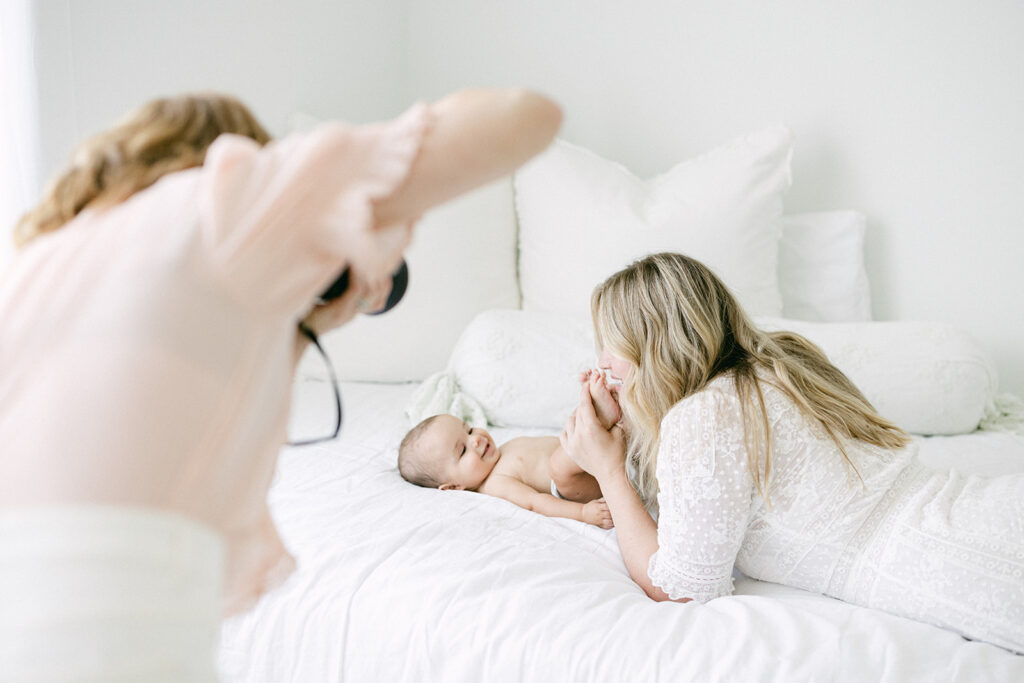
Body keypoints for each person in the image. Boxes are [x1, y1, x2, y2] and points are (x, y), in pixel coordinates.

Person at [0, 88, 562, 680]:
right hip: (110, 633)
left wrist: (312, 317)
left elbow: (212, 395)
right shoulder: (225, 204)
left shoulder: (40, 264)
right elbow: (530, 116)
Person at [559, 251, 1024, 653]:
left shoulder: (703, 415)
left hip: (941, 558)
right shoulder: (779, 361)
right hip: (972, 502)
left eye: (611, 345)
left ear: (653, 344)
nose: (601, 363)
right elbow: (571, 480)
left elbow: (682, 588)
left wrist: (610, 470)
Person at [399, 370, 620, 529]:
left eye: (469, 430)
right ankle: (596, 415)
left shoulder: (501, 452)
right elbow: (535, 503)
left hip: (583, 460)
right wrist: (583, 513)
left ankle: (595, 415)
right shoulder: (495, 484)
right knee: (559, 462)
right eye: (463, 451)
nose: (475, 440)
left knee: (569, 434)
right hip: (576, 484)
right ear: (454, 486)